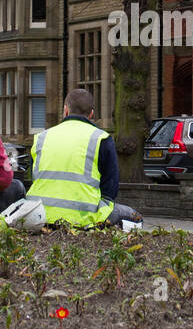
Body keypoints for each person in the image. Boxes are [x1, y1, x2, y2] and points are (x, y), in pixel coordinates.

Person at [27, 89, 141, 227]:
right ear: (91, 114)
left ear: (66, 110)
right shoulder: (101, 139)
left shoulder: (41, 138)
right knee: (135, 219)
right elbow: (110, 189)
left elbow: (34, 177)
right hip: (82, 220)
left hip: (38, 217)